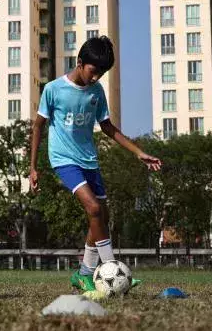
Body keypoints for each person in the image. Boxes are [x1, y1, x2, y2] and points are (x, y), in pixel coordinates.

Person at [28, 36, 162, 293]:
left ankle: (83, 274)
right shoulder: (54, 89)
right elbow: (38, 126)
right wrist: (33, 167)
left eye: (101, 73)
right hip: (63, 160)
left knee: (101, 216)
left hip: (89, 159)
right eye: (93, 71)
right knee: (93, 208)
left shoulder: (96, 92)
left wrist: (139, 152)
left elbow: (108, 127)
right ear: (80, 62)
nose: (96, 77)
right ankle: (113, 268)